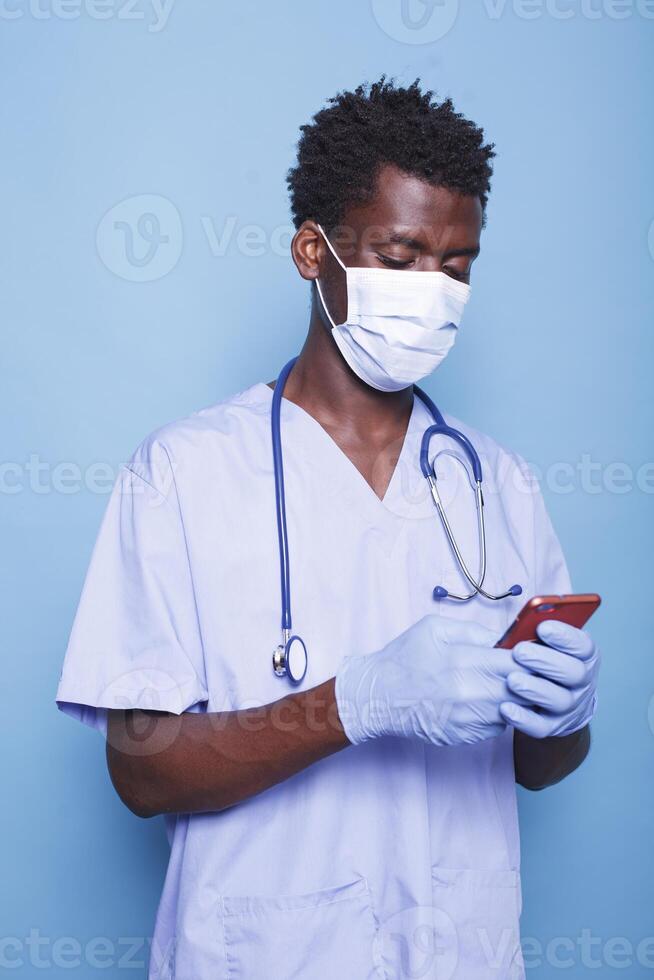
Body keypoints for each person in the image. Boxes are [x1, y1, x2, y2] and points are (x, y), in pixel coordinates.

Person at [55, 78, 600, 980]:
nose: (434, 291)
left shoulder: (495, 483)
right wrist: (357, 702)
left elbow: (540, 768)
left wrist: (565, 715)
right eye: (400, 255)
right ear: (314, 251)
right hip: (262, 955)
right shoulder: (182, 474)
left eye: (458, 267)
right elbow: (139, 773)